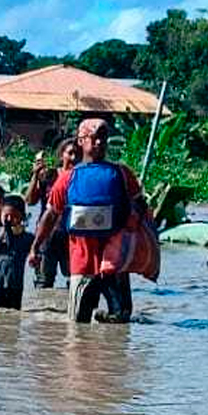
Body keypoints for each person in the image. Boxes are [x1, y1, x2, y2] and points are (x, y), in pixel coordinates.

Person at [28, 118, 145, 324]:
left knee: (121, 319)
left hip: (114, 263)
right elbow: (51, 215)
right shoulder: (67, 178)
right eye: (94, 138)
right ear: (81, 141)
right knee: (78, 325)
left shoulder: (122, 174)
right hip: (82, 263)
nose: (99, 142)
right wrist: (35, 247)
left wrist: (139, 241)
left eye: (103, 138)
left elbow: (140, 206)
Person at [25, 137, 80, 288]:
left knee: (75, 281)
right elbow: (30, 201)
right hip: (47, 235)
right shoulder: (49, 176)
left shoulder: (81, 178)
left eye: (77, 154)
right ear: (62, 154)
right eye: (70, 153)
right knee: (43, 282)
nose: (73, 158)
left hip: (72, 236)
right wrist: (35, 175)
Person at [0, 195, 36, 310]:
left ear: (22, 217)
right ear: (0, 215)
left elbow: (36, 253)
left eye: (14, 216)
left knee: (14, 317)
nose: (9, 219)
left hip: (15, 286)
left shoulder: (27, 238)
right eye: (6, 216)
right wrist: (0, 237)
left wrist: (35, 257)